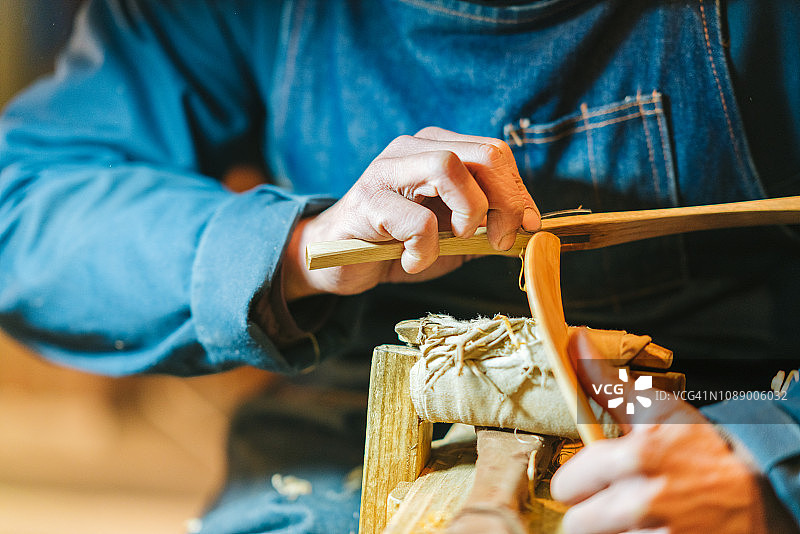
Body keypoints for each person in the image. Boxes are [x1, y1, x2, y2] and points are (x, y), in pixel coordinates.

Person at [0, 0, 798, 532]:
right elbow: (24, 206)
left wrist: (773, 467)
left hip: (735, 398)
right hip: (368, 397)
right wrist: (298, 248)